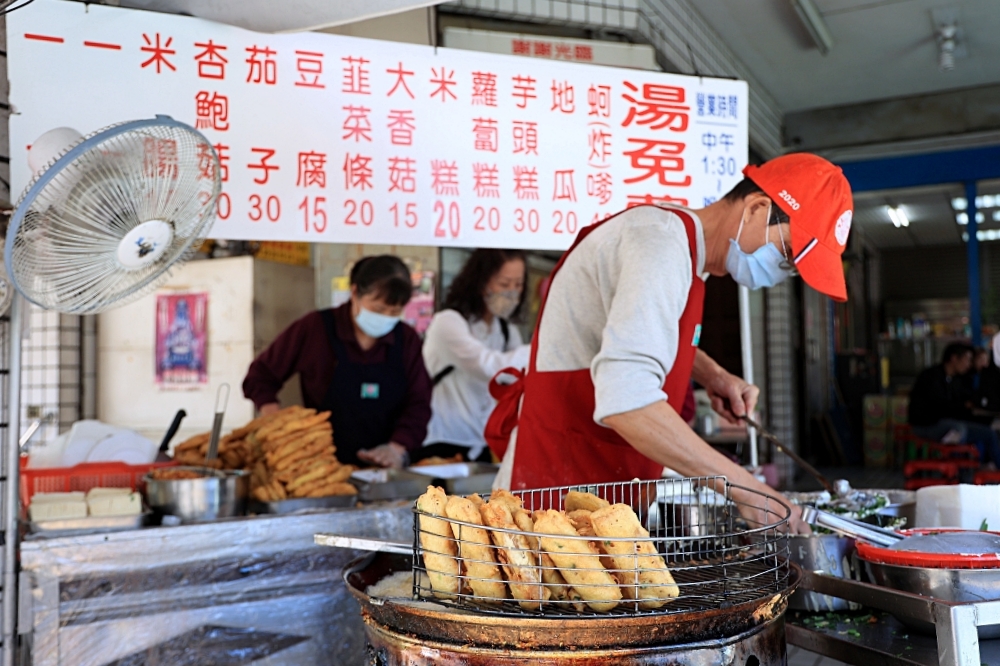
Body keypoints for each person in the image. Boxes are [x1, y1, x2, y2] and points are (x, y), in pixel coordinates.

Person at [486, 153, 856, 534]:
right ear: (756, 208)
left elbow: (632, 331)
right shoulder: (661, 245)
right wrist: (749, 490)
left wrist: (712, 374)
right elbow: (628, 403)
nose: (783, 271)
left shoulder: (690, 255)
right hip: (555, 496)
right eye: (787, 254)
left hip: (605, 489)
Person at [243, 255, 431, 468]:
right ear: (354, 293)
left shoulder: (406, 339)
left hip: (385, 469)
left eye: (395, 312)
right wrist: (277, 423)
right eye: (378, 309)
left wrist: (396, 448)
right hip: (320, 463)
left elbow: (419, 401)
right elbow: (260, 376)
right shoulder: (315, 328)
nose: (386, 317)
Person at [419, 249, 532, 463]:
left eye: (518, 284)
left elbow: (516, 379)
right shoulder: (448, 323)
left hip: (481, 443)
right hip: (442, 440)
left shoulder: (507, 330)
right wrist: (539, 347)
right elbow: (489, 368)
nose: (512, 292)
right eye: (504, 284)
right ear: (480, 282)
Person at [908, 342, 1000, 465]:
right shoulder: (931, 377)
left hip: (948, 423)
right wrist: (963, 406)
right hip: (926, 425)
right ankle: (957, 471)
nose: (969, 364)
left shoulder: (955, 379)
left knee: (989, 433)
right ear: (954, 358)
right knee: (958, 430)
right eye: (967, 360)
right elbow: (940, 407)